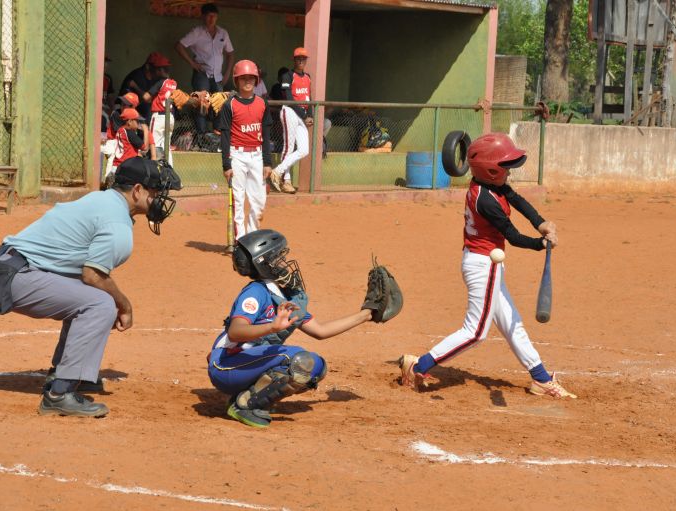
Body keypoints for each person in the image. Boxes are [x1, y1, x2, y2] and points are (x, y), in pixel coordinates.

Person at [0, 158, 182, 417]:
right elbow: (92, 275)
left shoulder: (103, 200)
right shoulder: (117, 223)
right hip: (12, 276)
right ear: (137, 190)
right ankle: (59, 393)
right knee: (100, 303)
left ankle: (66, 373)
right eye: (156, 191)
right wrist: (125, 304)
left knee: (94, 297)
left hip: (11, 268)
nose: (160, 198)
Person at [398, 133, 577, 399]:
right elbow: (513, 237)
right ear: (491, 170)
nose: (509, 171)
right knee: (476, 332)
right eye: (504, 166)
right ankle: (419, 365)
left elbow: (517, 200)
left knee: (511, 322)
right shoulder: (486, 200)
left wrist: (541, 223)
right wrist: (541, 245)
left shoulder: (491, 184)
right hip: (484, 265)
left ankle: (540, 378)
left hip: (485, 262)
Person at [206, 229, 377, 428]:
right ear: (264, 264)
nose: (284, 263)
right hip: (225, 367)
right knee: (295, 359)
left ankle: (247, 396)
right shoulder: (256, 292)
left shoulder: (284, 297)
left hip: (244, 366)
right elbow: (236, 331)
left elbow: (320, 331)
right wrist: (272, 327)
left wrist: (366, 315)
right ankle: (243, 406)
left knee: (316, 367)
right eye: (278, 258)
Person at [220, 60, 273, 239]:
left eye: (251, 78)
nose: (247, 81)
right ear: (237, 81)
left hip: (257, 155)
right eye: (243, 78)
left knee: (259, 202)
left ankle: (251, 237)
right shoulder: (229, 105)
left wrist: (268, 162)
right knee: (238, 200)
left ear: (257, 80)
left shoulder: (263, 104)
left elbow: (266, 135)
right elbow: (225, 136)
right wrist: (226, 164)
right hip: (237, 155)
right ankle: (240, 241)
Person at [174, 2, 234, 137]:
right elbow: (179, 46)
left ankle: (217, 133)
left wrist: (227, 73)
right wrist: (192, 64)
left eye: (214, 16)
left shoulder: (222, 33)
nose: (211, 19)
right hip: (202, 74)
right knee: (202, 102)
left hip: (218, 76)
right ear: (203, 17)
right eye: (209, 16)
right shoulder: (197, 32)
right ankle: (202, 134)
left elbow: (230, 53)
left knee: (220, 103)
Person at [268, 48, 312, 194]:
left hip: (302, 115)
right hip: (290, 111)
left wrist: (309, 115)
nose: (301, 61)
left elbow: (308, 98)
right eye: (298, 58)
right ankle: (286, 181)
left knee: (304, 149)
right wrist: (304, 116)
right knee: (289, 147)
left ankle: (277, 172)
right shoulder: (288, 75)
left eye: (303, 58)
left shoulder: (308, 77)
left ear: (306, 60)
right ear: (294, 60)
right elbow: (289, 98)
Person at [142, 56, 177, 165]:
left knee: (154, 144)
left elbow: (146, 97)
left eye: (157, 70)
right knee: (166, 147)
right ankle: (170, 174)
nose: (155, 72)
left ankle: (156, 173)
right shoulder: (174, 83)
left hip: (158, 117)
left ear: (161, 70)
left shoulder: (160, 82)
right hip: (170, 117)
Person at [119, 52, 167, 120]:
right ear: (148, 66)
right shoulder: (137, 76)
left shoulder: (156, 78)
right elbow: (147, 99)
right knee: (148, 108)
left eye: (163, 69)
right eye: (159, 69)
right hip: (126, 110)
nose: (161, 72)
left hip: (141, 110)